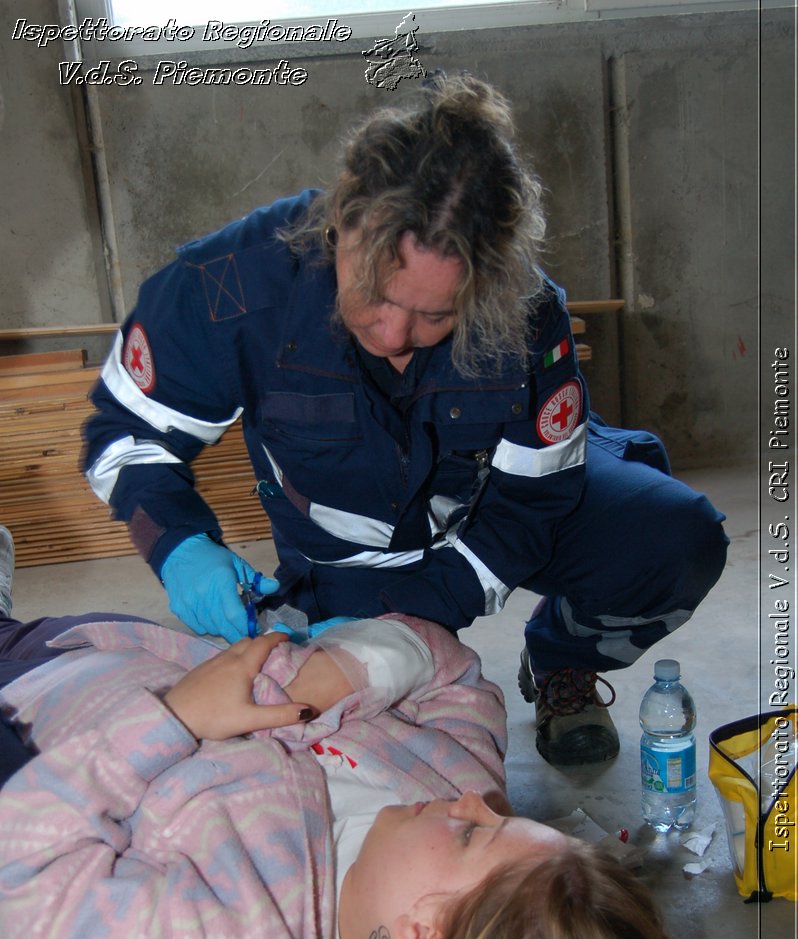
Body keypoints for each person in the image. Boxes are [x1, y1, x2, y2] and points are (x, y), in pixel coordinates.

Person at [82, 74, 727, 769]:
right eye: (377, 296)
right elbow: (124, 435)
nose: (393, 334)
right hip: (348, 550)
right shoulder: (235, 287)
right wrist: (178, 544)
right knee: (329, 725)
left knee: (674, 540)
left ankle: (559, 660)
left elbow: (532, 499)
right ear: (343, 221)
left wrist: (435, 600)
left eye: (435, 316)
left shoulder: (524, 311)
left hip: (493, 502)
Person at [0, 525, 705, 939]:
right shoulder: (448, 794)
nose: (478, 801)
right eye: (499, 817)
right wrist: (347, 668)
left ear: (421, 937)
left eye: (473, 833)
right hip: (118, 648)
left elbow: (21, 859)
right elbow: (452, 672)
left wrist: (177, 719)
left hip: (31, 714)